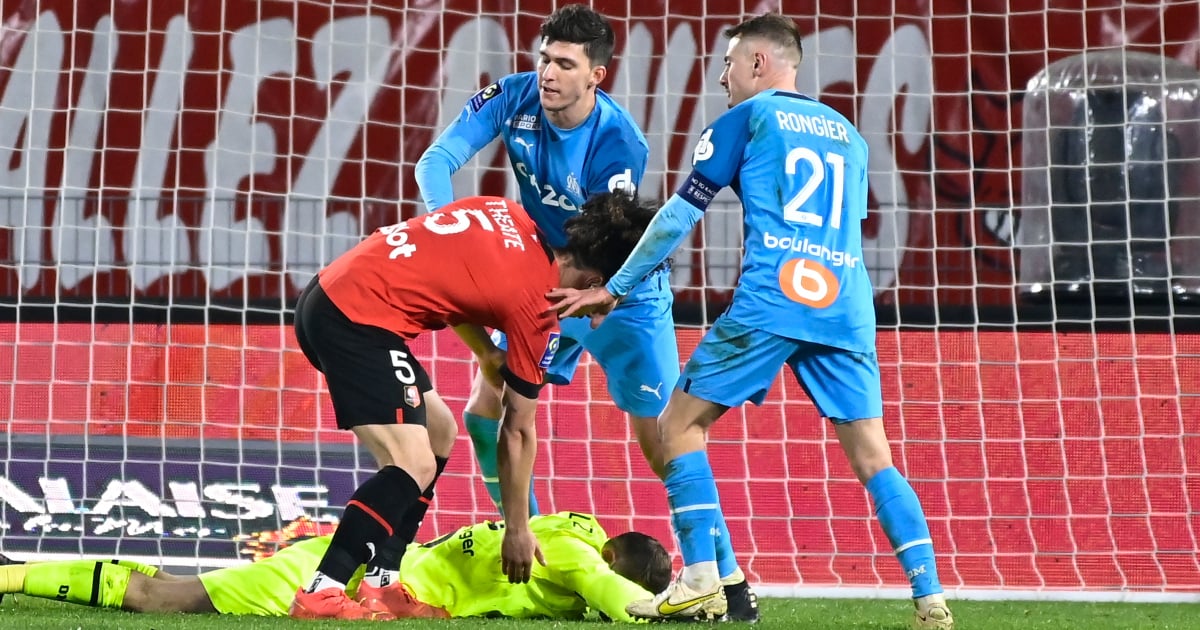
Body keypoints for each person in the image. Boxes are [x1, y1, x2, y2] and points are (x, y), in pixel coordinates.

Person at [548, 13, 955, 629]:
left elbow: (678, 216)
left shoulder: (747, 118)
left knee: (677, 425)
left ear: (759, 63)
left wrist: (615, 287)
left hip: (775, 295)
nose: (722, 77)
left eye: (729, 63)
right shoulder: (850, 136)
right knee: (875, 457)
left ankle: (700, 580)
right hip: (846, 304)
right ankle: (931, 600)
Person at [415, 5, 758, 621]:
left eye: (565, 64)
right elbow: (434, 162)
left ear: (596, 75)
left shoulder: (619, 142)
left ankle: (727, 580)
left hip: (620, 296)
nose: (547, 73)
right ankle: (532, 552)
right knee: (486, 411)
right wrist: (453, 232)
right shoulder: (512, 95)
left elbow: (607, 242)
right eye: (544, 58)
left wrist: (593, 291)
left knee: (664, 441)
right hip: (548, 286)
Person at [288, 190, 658, 620]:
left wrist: (485, 352)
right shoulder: (538, 313)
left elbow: (450, 273)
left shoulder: (505, 212)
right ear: (595, 285)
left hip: (329, 293)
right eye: (609, 302)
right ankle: (323, 591)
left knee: (439, 431)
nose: (597, 317)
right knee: (413, 463)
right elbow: (517, 430)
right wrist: (518, 528)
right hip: (356, 319)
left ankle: (382, 583)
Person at [0, 512, 671, 622]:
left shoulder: (553, 527)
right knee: (160, 601)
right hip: (344, 586)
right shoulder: (580, 558)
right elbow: (609, 593)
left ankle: (12, 568)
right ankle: (7, 576)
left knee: (165, 587)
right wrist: (670, 609)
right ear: (613, 556)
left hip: (363, 563)